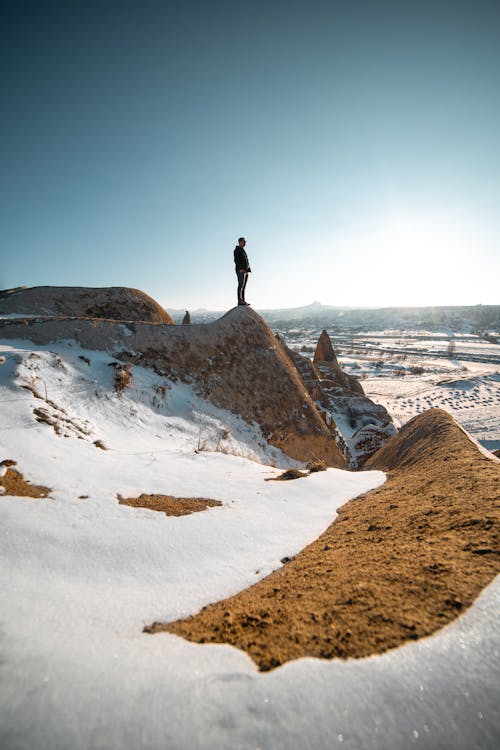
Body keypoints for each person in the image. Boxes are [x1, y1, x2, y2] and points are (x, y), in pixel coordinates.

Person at [233, 237, 251, 306]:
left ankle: (243, 300)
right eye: (244, 241)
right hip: (241, 270)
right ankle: (240, 301)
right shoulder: (237, 250)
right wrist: (241, 269)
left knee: (243, 286)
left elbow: (245, 261)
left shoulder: (242, 250)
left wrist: (247, 270)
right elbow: (236, 260)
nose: (245, 243)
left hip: (245, 271)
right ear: (240, 242)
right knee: (241, 285)